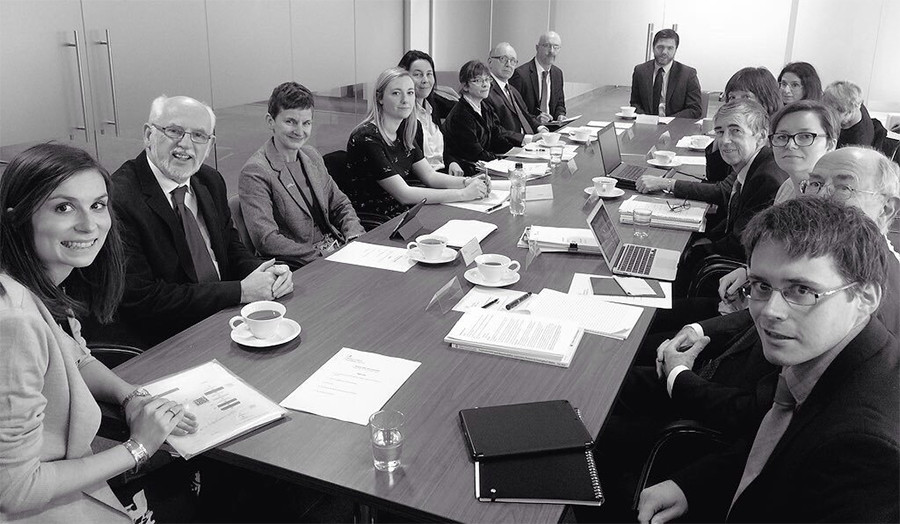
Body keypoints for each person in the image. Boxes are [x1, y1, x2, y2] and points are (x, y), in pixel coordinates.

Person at [637, 198, 899, 523]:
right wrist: (692, 485)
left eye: (801, 290)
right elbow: (781, 439)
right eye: (761, 286)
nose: (771, 311)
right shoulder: (833, 350)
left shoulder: (866, 449)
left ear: (866, 297)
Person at [0, 143, 198, 523]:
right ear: (17, 218)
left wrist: (131, 397)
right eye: (63, 207)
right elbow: (16, 489)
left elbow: (75, 357)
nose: (89, 225)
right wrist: (139, 447)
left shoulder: (41, 283)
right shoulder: (15, 322)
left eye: (97, 205)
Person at [103, 95, 294, 348]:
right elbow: (142, 298)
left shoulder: (209, 180)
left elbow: (230, 248)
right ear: (149, 135)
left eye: (198, 136)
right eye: (174, 131)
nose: (185, 144)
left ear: (210, 143)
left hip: (227, 317)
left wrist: (266, 273)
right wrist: (240, 291)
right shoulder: (119, 199)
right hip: (169, 337)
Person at [641, 100, 787, 295]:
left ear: (760, 137)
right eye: (720, 132)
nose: (725, 140)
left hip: (731, 280)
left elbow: (741, 243)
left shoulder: (766, 178)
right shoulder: (753, 162)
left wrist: (697, 247)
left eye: (735, 131)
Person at [240, 82, 365, 270]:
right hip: (301, 265)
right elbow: (266, 239)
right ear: (270, 121)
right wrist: (322, 257)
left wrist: (354, 236)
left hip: (336, 249)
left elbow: (340, 204)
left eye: (306, 123)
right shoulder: (255, 171)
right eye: (290, 122)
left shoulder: (311, 156)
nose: (299, 131)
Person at [345, 67, 489, 219]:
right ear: (379, 98)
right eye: (396, 93)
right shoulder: (367, 137)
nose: (405, 100)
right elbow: (404, 194)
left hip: (406, 213)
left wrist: (468, 182)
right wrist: (463, 194)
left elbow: (429, 175)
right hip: (380, 220)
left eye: (410, 93)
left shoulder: (404, 130)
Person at [443, 60, 531, 176]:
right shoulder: (461, 114)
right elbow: (475, 154)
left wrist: (521, 153)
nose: (485, 85)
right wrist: (503, 162)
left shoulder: (485, 107)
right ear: (465, 86)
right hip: (468, 171)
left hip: (486, 166)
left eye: (487, 79)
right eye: (478, 80)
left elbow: (497, 139)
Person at [703, 67, 783, 183]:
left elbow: (724, 189)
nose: (737, 102)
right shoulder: (729, 133)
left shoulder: (771, 141)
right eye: (732, 97)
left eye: (746, 97)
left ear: (766, 100)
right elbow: (715, 177)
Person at [397, 50, 464, 176]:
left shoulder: (432, 104)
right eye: (417, 75)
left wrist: (451, 162)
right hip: (421, 180)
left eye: (429, 74)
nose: (425, 80)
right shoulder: (401, 113)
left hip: (441, 174)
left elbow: (461, 109)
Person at [629, 29, 702, 119]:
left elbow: (695, 109)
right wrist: (647, 119)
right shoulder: (640, 71)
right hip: (647, 123)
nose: (664, 52)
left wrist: (668, 121)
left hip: (675, 124)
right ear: (653, 47)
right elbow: (635, 103)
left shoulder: (688, 74)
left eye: (670, 48)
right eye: (660, 47)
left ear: (675, 50)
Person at [484, 42, 548, 141]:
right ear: (490, 62)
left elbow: (526, 115)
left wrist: (541, 128)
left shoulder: (512, 90)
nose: (508, 65)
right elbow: (495, 130)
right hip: (509, 146)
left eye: (513, 61)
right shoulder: (485, 91)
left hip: (527, 143)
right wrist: (529, 139)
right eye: (503, 59)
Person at [509, 31, 566, 123]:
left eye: (556, 47)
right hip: (530, 129)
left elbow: (560, 103)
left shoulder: (557, 74)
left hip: (552, 128)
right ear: (537, 47)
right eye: (547, 46)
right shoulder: (520, 74)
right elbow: (515, 109)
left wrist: (560, 115)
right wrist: (536, 120)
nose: (551, 51)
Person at [823, 80, 876, 148]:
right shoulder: (854, 101)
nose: (825, 113)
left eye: (831, 112)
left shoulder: (856, 144)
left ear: (848, 113)